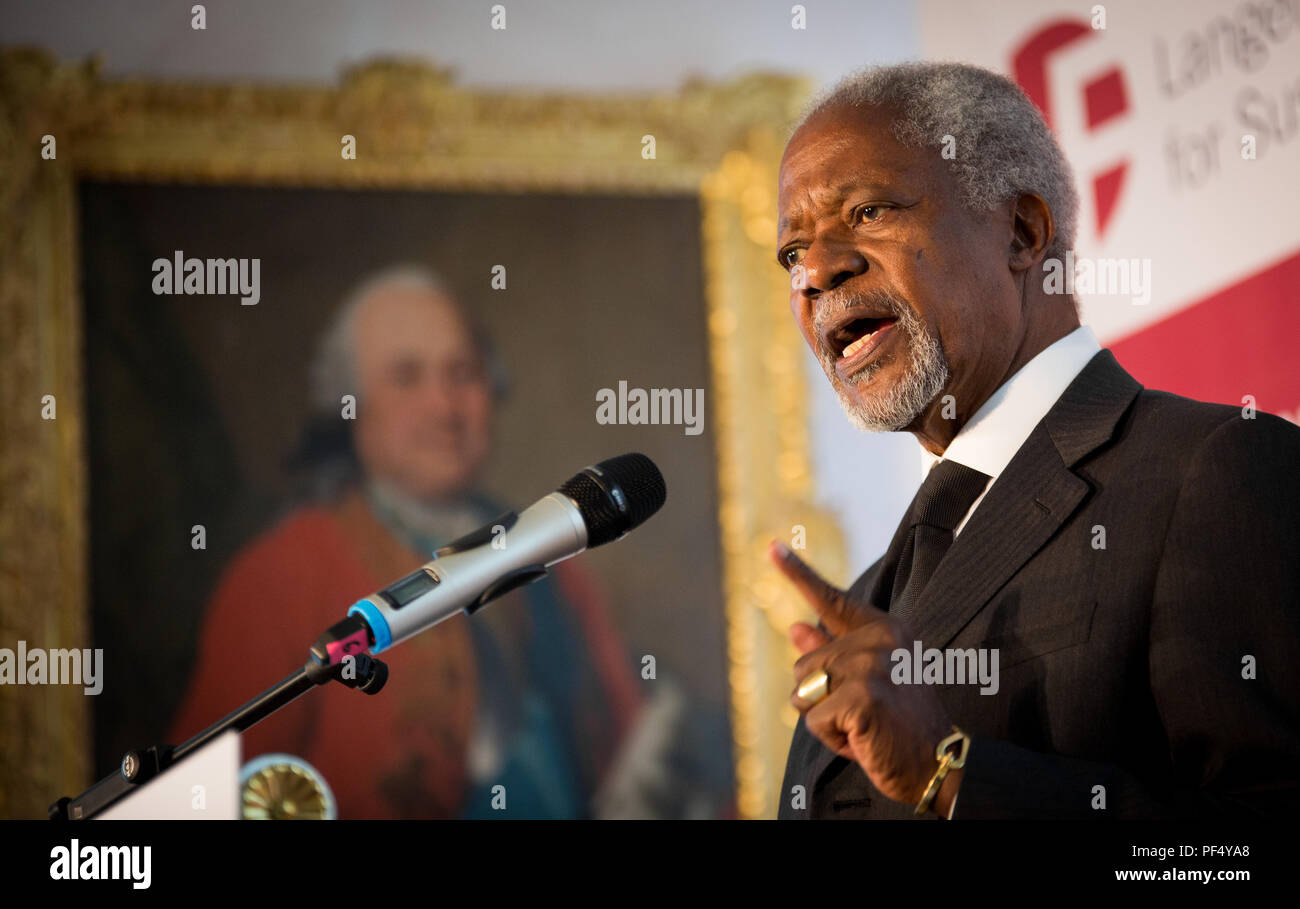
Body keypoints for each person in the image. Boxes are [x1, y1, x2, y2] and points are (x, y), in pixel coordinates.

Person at [772, 62, 1300, 819]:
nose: (816, 271)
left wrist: (951, 775)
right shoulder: (861, 604)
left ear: (1023, 231)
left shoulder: (1214, 473)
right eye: (793, 253)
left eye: (869, 212)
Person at [169, 266, 642, 818]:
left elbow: (628, 746)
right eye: (407, 376)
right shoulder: (282, 574)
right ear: (350, 407)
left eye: (463, 373)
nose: (444, 406)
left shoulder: (554, 551)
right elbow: (209, 798)